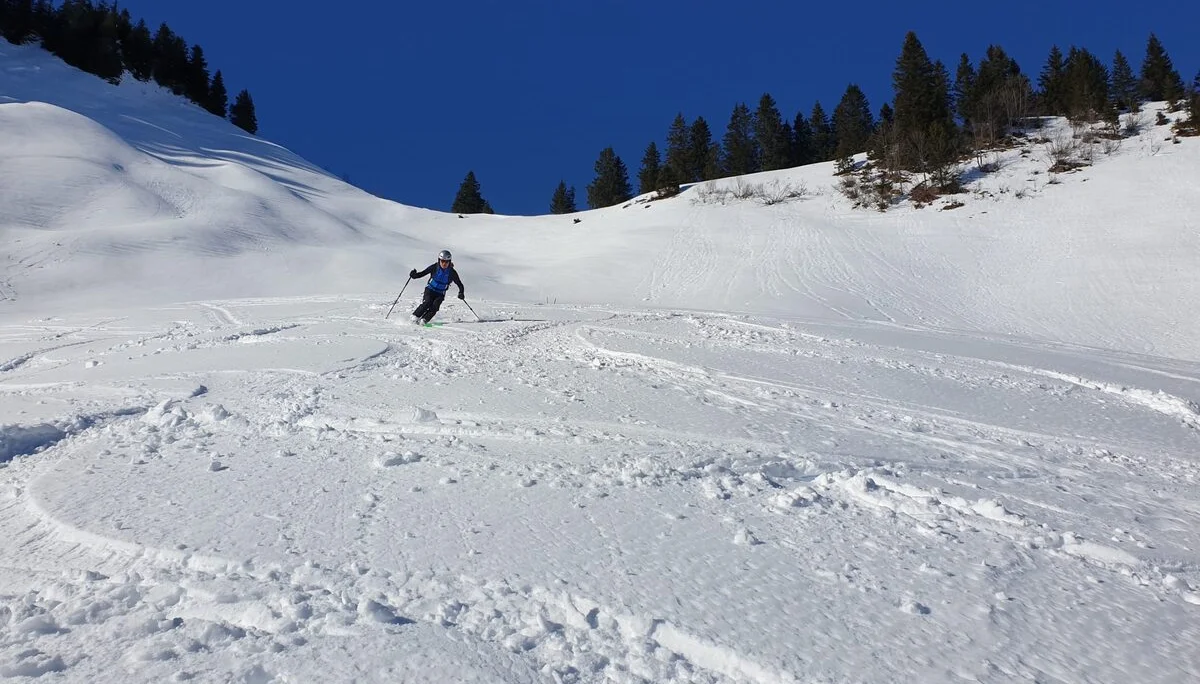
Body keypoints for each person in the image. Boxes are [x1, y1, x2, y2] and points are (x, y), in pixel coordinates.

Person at [408, 249, 464, 324]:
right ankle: (414, 317)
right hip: (430, 290)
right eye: (442, 261)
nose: (444, 264)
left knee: (435, 307)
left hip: (440, 293)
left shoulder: (452, 272)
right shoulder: (434, 267)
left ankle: (424, 320)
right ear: (439, 260)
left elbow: (460, 284)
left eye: (446, 262)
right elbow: (423, 273)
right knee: (427, 302)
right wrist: (414, 275)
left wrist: (461, 292)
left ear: (449, 262)